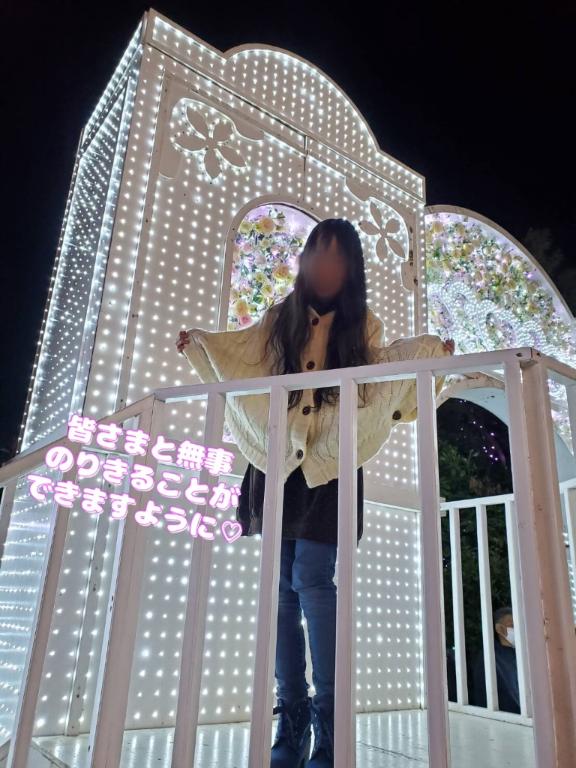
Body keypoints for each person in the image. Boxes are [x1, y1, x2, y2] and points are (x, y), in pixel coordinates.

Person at [176, 217, 455, 767]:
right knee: (280, 588)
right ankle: (292, 716)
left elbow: (383, 371)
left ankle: (330, 722)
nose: (326, 266)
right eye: (319, 255)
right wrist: (202, 345)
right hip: (275, 461)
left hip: (329, 467)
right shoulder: (279, 318)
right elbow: (241, 354)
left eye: (338, 258)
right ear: (305, 261)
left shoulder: (362, 325)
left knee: (312, 580)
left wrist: (430, 354)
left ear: (351, 269)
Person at [471, 606, 520, 714]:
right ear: (499, 629)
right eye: (512, 625)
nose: (518, 629)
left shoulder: (520, 656)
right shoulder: (489, 658)